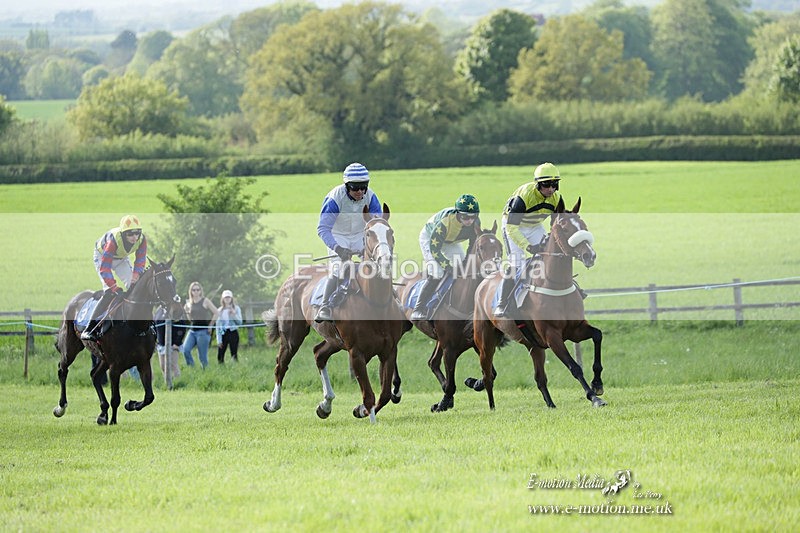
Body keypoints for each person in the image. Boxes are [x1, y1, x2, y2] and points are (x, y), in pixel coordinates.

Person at [314, 162, 384, 322]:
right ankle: (325, 305)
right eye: (355, 188)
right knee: (338, 268)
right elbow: (323, 228)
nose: (360, 192)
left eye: (363, 187)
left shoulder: (371, 196)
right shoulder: (334, 199)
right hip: (337, 236)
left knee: (379, 265)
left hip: (360, 235)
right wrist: (338, 248)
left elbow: (377, 222)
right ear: (347, 186)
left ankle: (391, 298)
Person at [494, 162, 563, 318]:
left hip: (534, 225)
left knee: (548, 255)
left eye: (555, 185)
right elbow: (512, 228)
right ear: (538, 184)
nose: (551, 189)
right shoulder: (524, 197)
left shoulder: (556, 198)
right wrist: (527, 246)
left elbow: (557, 223)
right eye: (547, 185)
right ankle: (502, 303)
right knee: (516, 263)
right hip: (513, 226)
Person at [410, 194, 482, 320]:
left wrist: (465, 262)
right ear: (458, 213)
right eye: (465, 217)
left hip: (450, 241)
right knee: (437, 272)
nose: (469, 221)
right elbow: (435, 249)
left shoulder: (476, 223)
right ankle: (418, 308)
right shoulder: (445, 222)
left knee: (462, 266)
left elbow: (473, 244)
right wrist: (447, 266)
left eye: (473, 217)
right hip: (430, 238)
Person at [81, 214, 148, 341]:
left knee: (135, 287)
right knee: (109, 292)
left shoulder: (142, 239)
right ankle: (90, 328)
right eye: (130, 234)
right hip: (103, 257)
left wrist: (136, 274)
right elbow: (105, 268)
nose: (134, 238)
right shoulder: (113, 240)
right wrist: (114, 287)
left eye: (137, 234)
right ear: (123, 234)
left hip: (121, 258)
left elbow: (141, 259)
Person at [181, 281, 219, 368]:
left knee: (202, 357)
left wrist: (210, 325)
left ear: (201, 291)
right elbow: (190, 320)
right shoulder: (189, 302)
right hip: (192, 331)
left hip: (203, 331)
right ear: (190, 291)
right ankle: (192, 368)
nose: (196, 291)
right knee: (185, 350)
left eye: (198, 290)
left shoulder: (205, 301)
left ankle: (206, 374)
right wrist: (187, 312)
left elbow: (216, 313)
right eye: (194, 290)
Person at [155, 304, 188, 380]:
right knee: (163, 366)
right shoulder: (159, 309)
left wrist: (177, 343)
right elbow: (156, 324)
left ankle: (178, 383)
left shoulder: (175, 308)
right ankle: (168, 383)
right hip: (161, 343)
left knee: (173, 365)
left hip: (173, 343)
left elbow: (182, 327)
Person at [216, 289, 242, 363]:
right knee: (220, 355)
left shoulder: (236, 308)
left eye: (229, 297)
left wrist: (234, 315)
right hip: (223, 333)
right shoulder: (219, 310)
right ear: (223, 299)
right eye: (225, 298)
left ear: (231, 298)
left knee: (234, 354)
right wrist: (219, 339)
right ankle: (221, 369)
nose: (227, 299)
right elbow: (218, 326)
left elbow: (239, 322)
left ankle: (236, 369)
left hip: (233, 332)